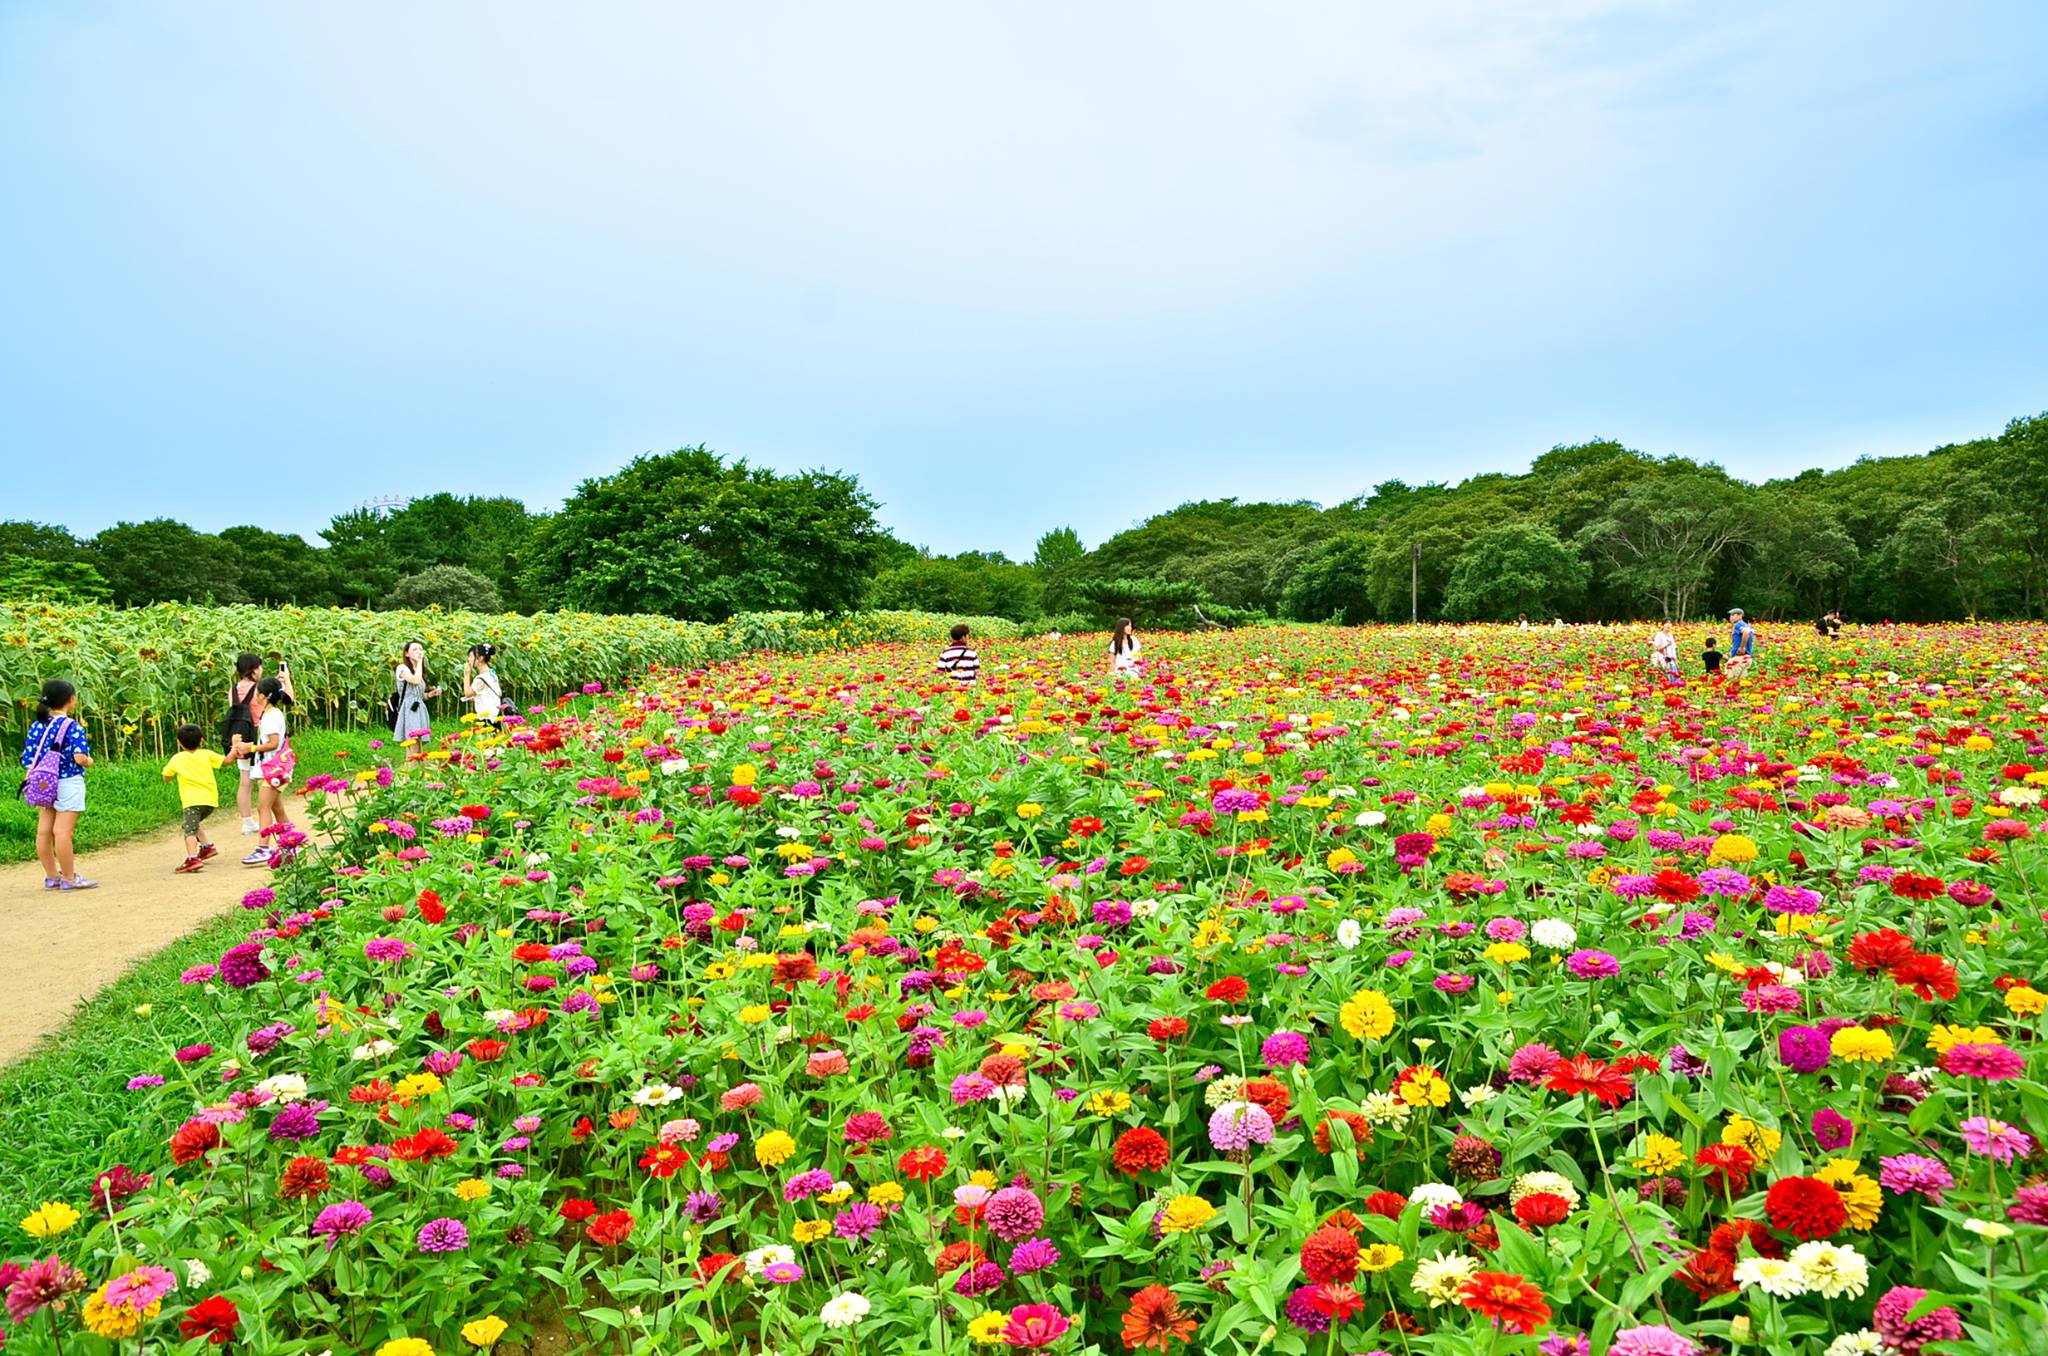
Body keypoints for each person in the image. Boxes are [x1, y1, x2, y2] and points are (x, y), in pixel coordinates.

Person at [21, 679, 96, 890]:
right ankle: (70, 878)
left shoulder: (38, 725)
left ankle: (52, 876)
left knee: (44, 831)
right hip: (68, 781)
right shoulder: (73, 726)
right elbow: (80, 757)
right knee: (63, 832)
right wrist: (90, 761)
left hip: (44, 782)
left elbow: (28, 758)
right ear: (71, 700)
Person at [164, 721, 243, 873]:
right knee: (191, 824)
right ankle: (207, 847)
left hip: (192, 802)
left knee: (189, 831)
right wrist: (234, 748)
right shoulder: (207, 754)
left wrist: (171, 775)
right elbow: (227, 761)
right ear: (202, 740)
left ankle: (192, 858)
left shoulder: (177, 759)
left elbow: (166, 777)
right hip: (210, 801)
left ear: (179, 743)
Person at [242, 676, 294, 864]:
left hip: (272, 770)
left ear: (264, 696)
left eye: (257, 692)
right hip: (274, 769)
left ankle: (263, 848)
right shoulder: (272, 713)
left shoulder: (272, 716)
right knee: (277, 808)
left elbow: (272, 743)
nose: (255, 695)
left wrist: (252, 748)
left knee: (263, 807)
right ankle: (291, 844)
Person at [223, 652, 264, 835]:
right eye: (259, 667)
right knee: (266, 780)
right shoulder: (258, 689)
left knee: (245, 781)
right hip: (258, 736)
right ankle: (267, 818)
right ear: (253, 670)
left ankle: (247, 822)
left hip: (238, 737)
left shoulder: (232, 689)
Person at [391, 640, 440, 740]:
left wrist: (431, 694)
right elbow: (415, 681)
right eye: (415, 649)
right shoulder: (402, 668)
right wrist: (419, 662)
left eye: (421, 649)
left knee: (419, 744)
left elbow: (419, 695)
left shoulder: (418, 670)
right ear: (407, 653)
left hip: (419, 708)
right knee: (413, 741)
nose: (419, 652)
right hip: (409, 709)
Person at [462, 643, 506, 725]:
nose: (469, 659)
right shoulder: (492, 673)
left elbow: (467, 693)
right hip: (495, 714)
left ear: (480, 658)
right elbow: (498, 692)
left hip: (486, 717)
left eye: (471, 656)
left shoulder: (480, 679)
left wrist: (466, 674)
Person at [1726, 608, 1757, 687]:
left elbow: (1746, 632)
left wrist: (1742, 647)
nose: (1731, 617)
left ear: (1740, 616)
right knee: (1741, 683)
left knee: (1731, 682)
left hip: (1738, 658)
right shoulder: (1747, 625)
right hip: (1746, 657)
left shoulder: (1738, 624)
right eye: (1730, 615)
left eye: (1733, 615)